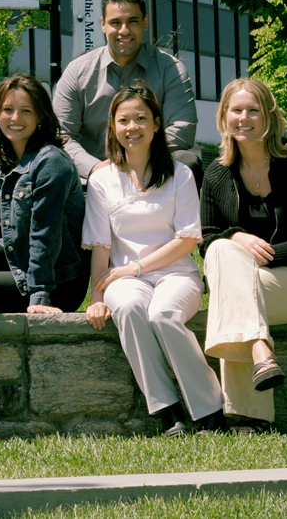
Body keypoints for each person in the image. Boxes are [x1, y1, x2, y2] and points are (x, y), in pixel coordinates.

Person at [200, 78, 287, 434]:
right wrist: (239, 237)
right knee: (223, 254)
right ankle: (261, 353)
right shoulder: (216, 173)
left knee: (230, 295)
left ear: (267, 117)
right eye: (236, 110)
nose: (244, 118)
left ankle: (250, 415)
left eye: (253, 110)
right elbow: (207, 238)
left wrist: (273, 254)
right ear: (224, 117)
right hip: (250, 282)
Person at [83, 84, 225, 436]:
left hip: (176, 275)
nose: (133, 127)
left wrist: (138, 266)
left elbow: (188, 239)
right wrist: (97, 297)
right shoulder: (102, 180)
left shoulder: (180, 174)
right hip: (123, 281)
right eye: (124, 120)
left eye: (141, 119)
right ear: (113, 127)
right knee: (129, 308)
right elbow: (101, 244)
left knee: (164, 315)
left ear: (157, 124)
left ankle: (211, 409)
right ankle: (168, 410)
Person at [0, 74, 89, 314]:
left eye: (26, 111)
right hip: (17, 256)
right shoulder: (4, 158)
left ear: (40, 116)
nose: (15, 118)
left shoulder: (51, 162)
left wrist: (40, 295)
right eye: (8, 109)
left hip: (56, 282)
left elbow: (44, 235)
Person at [53, 0, 201, 185]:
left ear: (145, 22)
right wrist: (97, 169)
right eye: (115, 22)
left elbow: (183, 129)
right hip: (92, 179)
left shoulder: (170, 69)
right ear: (103, 24)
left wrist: (136, 160)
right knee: (52, 163)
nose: (124, 30)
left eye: (133, 21)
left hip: (151, 173)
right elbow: (62, 135)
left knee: (188, 160)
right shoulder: (77, 72)